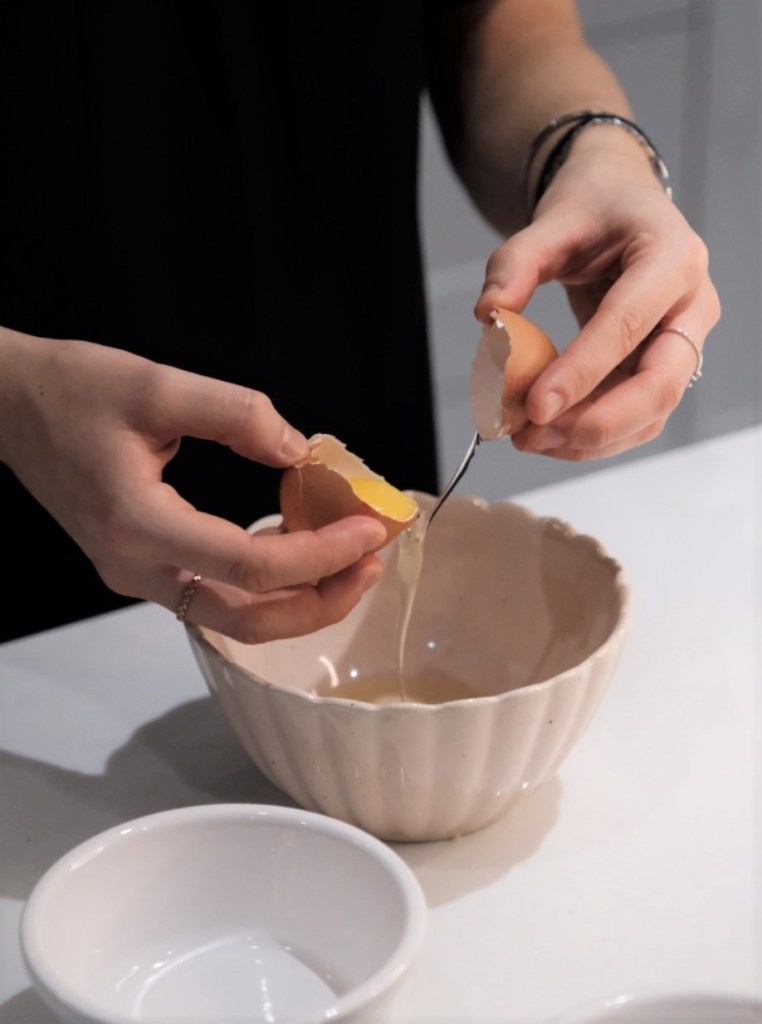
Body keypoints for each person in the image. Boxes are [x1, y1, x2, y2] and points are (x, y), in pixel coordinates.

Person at [0, 1, 720, 645]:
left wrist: (594, 153)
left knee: (375, 585)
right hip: (38, 474)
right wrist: (13, 399)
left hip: (353, 362)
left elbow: (503, 26)